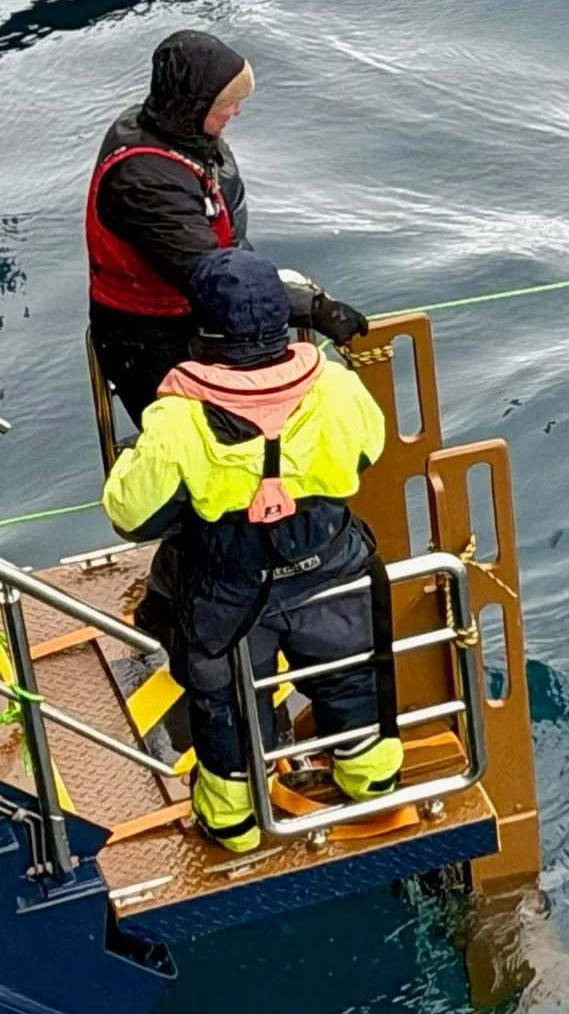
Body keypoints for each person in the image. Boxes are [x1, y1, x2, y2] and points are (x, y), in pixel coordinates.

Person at [103, 250, 403, 855]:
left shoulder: (178, 420)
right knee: (352, 679)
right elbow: (370, 448)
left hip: (232, 594)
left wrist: (143, 458)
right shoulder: (338, 386)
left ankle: (234, 827)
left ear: (201, 331)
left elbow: (128, 514)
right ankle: (371, 780)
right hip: (331, 569)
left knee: (228, 708)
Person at [87, 29, 366, 427]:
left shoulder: (183, 134)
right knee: (213, 444)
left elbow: (229, 248)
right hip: (151, 340)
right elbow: (218, 278)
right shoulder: (143, 182)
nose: (236, 112)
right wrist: (313, 309)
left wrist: (273, 285)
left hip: (205, 319)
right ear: (195, 103)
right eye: (228, 103)